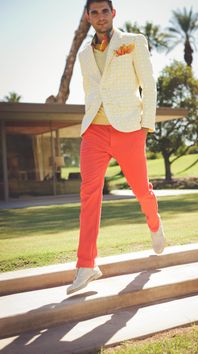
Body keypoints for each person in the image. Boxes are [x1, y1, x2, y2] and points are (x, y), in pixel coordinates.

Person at [67, 0, 165, 295]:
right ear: (88, 17)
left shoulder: (134, 42)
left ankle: (154, 222)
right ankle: (86, 265)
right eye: (93, 12)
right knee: (89, 193)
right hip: (94, 131)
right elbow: (92, 92)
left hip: (129, 129)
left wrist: (146, 125)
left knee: (140, 189)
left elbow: (149, 84)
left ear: (113, 14)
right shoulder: (84, 54)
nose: (99, 16)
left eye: (104, 11)